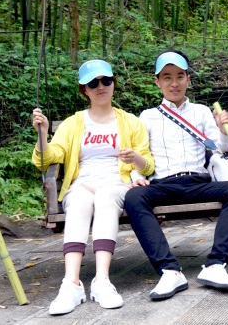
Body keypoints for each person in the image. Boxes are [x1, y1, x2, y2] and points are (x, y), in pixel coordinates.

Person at [31, 59, 155, 315]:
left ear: (113, 84)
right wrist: (42, 134)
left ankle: (102, 281)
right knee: (78, 201)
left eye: (106, 80)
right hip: (83, 183)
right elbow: (46, 158)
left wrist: (135, 158)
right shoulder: (73, 123)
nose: (101, 87)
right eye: (93, 83)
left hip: (116, 183)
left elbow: (147, 165)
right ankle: (71, 284)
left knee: (106, 197)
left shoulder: (130, 122)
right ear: (84, 90)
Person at [125, 50, 228, 301]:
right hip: (163, 184)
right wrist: (134, 176)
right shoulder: (147, 116)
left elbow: (221, 148)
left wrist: (223, 128)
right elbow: (139, 151)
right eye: (167, 77)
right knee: (134, 197)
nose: (174, 83)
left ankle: (216, 265)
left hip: (198, 182)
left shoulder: (201, 111)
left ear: (188, 79)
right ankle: (169, 271)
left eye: (180, 76)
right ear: (157, 82)